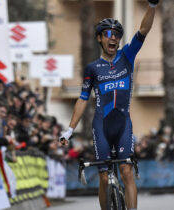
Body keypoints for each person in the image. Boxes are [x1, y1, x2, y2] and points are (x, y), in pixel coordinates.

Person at [59, 1, 159, 209]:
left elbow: (144, 29)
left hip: (123, 124)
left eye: (117, 34)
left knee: (126, 171)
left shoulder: (127, 56)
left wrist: (152, 4)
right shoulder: (92, 68)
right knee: (104, 177)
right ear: (99, 38)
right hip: (101, 126)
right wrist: (69, 130)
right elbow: (83, 98)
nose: (113, 37)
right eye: (108, 34)